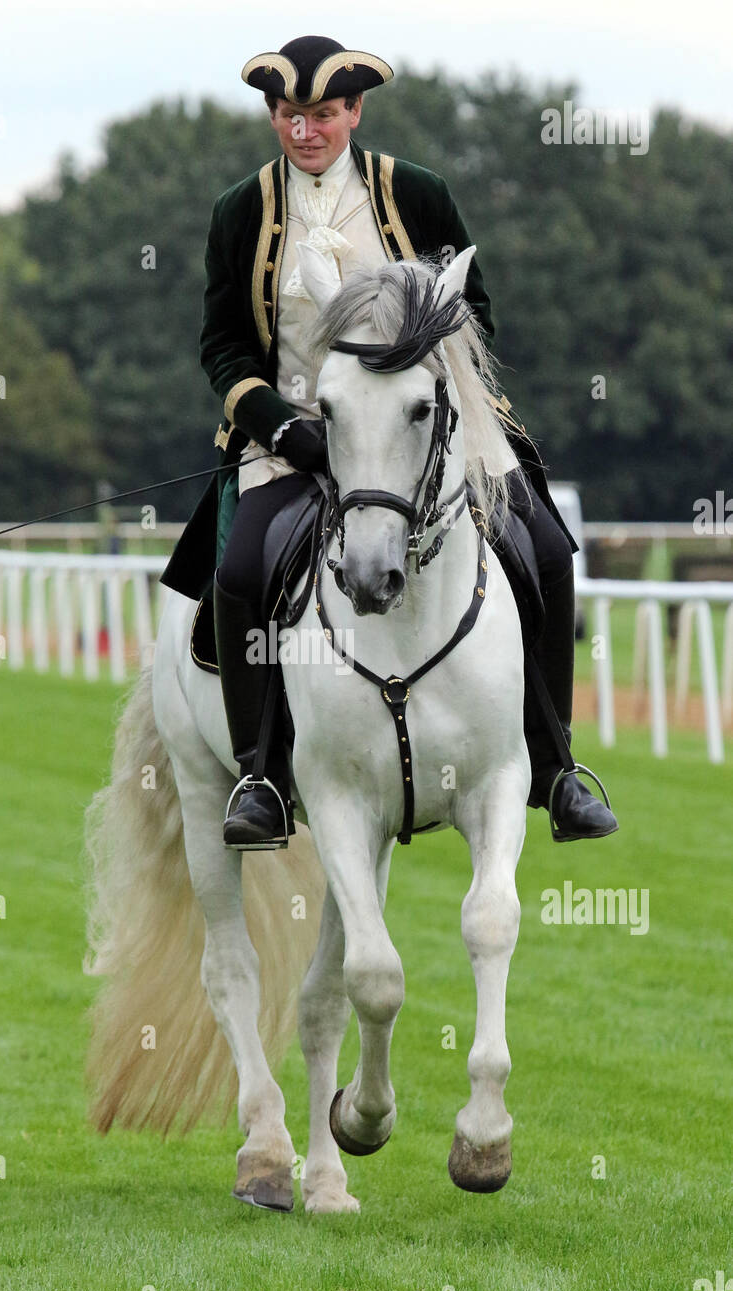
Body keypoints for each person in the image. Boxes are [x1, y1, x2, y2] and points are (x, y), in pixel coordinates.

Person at [160, 34, 618, 848]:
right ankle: (262, 776)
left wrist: (433, 397)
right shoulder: (240, 210)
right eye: (291, 116)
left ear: (354, 112)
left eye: (324, 115)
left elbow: (471, 310)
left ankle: (555, 768)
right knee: (237, 574)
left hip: (424, 427)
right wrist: (279, 424)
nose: (307, 132)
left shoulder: (418, 193)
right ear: (273, 114)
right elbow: (222, 344)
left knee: (546, 547)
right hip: (294, 438)